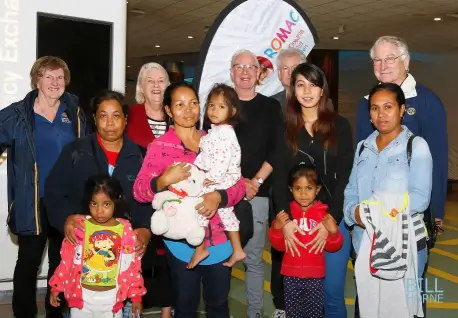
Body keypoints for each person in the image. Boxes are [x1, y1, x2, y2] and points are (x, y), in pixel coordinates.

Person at [133, 82, 246, 317]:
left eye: (194, 103)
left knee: (218, 306)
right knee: (185, 308)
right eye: (180, 105)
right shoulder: (160, 147)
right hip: (182, 245)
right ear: (168, 110)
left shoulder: (215, 138)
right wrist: (163, 180)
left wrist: (219, 196)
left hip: (219, 242)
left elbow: (239, 185)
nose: (188, 110)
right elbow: (139, 190)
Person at [0, 56, 90, 318]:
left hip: (66, 202)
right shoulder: (18, 114)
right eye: (48, 76)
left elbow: (85, 152)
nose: (54, 82)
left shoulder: (74, 112)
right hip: (32, 201)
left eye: (60, 77)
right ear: (36, 79)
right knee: (28, 263)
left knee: (61, 263)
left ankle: (55, 314)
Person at [44, 90, 152, 289]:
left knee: (121, 307)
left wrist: (145, 229)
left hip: (125, 254)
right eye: (103, 116)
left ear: (126, 119)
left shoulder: (141, 157)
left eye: (116, 116)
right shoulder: (76, 151)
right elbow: (54, 193)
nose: (109, 123)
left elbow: (149, 199)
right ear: (94, 119)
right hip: (81, 250)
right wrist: (65, 218)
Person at [272, 63, 353, 318]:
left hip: (330, 220)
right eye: (300, 84)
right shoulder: (285, 128)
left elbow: (346, 176)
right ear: (293, 90)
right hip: (298, 224)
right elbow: (278, 180)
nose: (307, 91)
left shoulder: (339, 126)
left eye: (313, 84)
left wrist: (332, 218)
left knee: (331, 294)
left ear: (322, 90)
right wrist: (285, 221)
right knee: (298, 296)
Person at [344, 82, 432, 317]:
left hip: (404, 244)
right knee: (368, 308)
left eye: (388, 107)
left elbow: (420, 198)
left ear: (402, 109)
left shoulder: (416, 146)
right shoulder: (363, 147)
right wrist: (353, 213)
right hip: (364, 243)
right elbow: (351, 189)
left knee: (403, 308)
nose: (381, 114)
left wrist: (378, 213)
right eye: (374, 108)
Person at [230, 49, 284, 318]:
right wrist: (239, 183)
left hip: (258, 196)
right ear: (232, 72)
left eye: (251, 66)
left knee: (253, 261)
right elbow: (208, 150)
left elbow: (276, 150)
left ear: (259, 73)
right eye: (239, 66)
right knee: (222, 259)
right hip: (224, 196)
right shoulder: (220, 105)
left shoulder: (270, 107)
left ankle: (254, 314)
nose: (245, 71)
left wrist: (256, 181)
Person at [49, 175, 146, 318]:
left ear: (115, 202)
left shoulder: (126, 232)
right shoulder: (79, 228)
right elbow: (66, 260)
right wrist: (57, 285)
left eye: (106, 204)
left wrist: (137, 297)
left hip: (111, 301)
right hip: (82, 299)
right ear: (88, 203)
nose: (99, 211)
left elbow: (133, 267)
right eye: (94, 204)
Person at [125, 62, 173, 318]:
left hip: (172, 200)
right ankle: (133, 309)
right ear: (141, 88)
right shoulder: (129, 116)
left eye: (161, 80)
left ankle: (167, 311)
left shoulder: (177, 115)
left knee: (168, 261)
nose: (156, 85)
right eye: (150, 81)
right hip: (137, 198)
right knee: (137, 256)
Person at [269, 163, 343, 318]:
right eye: (298, 188)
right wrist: (277, 227)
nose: (303, 193)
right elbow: (278, 246)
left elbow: (333, 247)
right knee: (293, 314)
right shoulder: (287, 214)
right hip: (290, 276)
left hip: (315, 277)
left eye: (309, 188)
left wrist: (334, 233)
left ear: (317, 190)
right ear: (290, 190)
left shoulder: (324, 214)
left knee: (314, 314)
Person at [190, 83, 246, 268]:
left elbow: (222, 160)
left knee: (200, 205)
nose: (214, 110)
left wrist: (211, 178)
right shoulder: (214, 132)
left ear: (232, 111)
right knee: (226, 212)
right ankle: (237, 249)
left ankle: (200, 248)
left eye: (221, 106)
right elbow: (206, 157)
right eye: (211, 105)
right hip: (224, 176)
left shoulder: (225, 133)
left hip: (223, 177)